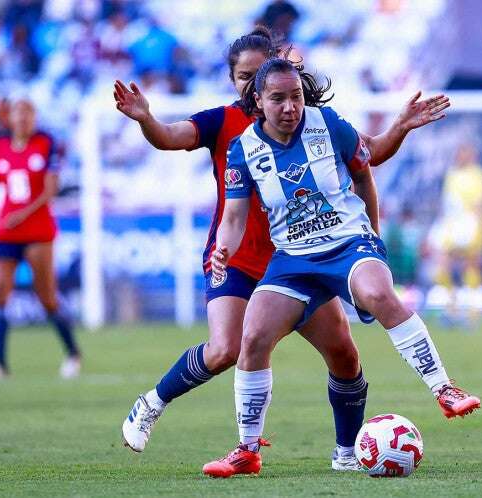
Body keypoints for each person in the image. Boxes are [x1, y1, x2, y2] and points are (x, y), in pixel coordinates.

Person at [115, 27, 451, 471]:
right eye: (242, 76)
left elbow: (366, 156)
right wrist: (145, 119)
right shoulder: (223, 122)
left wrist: (400, 128)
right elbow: (170, 136)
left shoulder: (303, 115)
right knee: (225, 349)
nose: (250, 84)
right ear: (235, 80)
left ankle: (346, 453)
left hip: (301, 256)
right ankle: (153, 402)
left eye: (258, 73)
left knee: (345, 354)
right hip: (237, 257)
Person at [202, 58, 480, 478]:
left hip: (348, 241)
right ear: (258, 100)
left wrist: (400, 127)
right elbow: (235, 217)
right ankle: (247, 450)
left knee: (379, 295)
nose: (289, 107)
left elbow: (371, 157)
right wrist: (224, 249)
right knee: (254, 336)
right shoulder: (243, 149)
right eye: (278, 99)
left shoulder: (327, 124)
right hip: (293, 259)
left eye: (295, 97)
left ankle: (444, 388)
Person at [0, 98, 81, 380]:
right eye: (17, 113)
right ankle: (0, 364)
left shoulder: (47, 143)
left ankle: (72, 353)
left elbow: (51, 190)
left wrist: (21, 216)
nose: (22, 118)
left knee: (46, 296)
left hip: (37, 232)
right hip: (5, 231)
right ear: (9, 117)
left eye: (28, 113)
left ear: (34, 117)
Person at [429, 142, 482, 325]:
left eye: (464, 152)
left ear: (471, 154)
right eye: (459, 152)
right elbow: (447, 202)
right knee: (440, 265)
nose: (460, 155)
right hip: (450, 224)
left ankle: (472, 312)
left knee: (470, 265)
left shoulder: (478, 175)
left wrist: (480, 231)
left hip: (469, 224)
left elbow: (481, 205)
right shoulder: (451, 173)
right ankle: (452, 308)